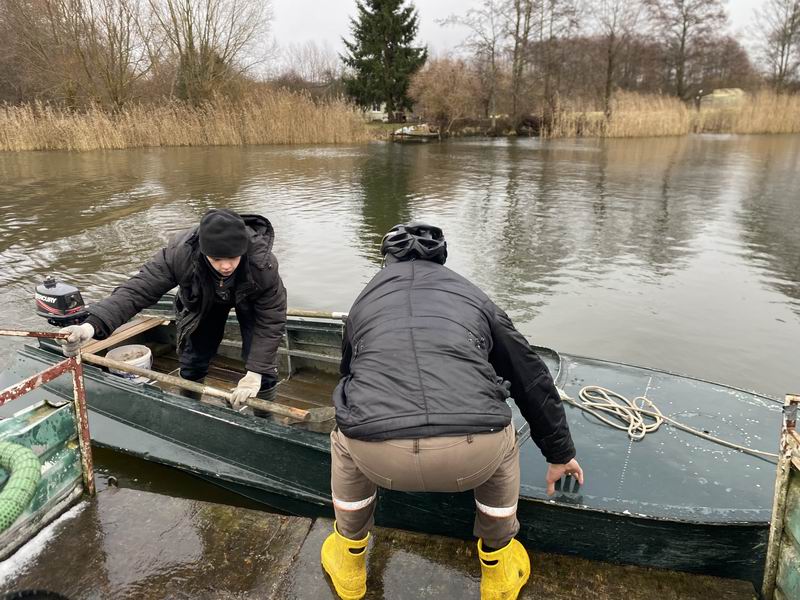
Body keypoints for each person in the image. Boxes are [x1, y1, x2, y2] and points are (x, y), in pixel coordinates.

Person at [321, 223, 583, 600]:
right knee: (503, 435)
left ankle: (349, 557)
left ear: (386, 260)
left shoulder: (365, 299)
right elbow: (530, 375)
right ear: (443, 259)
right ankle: (499, 566)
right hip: (472, 456)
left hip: (377, 458)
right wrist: (560, 454)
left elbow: (349, 373)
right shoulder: (472, 294)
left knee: (344, 435)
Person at [58, 208, 287, 409]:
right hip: (202, 297)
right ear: (204, 251)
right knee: (194, 354)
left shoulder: (261, 264)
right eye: (217, 258)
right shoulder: (180, 254)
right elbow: (138, 290)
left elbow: (271, 319)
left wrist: (255, 372)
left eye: (233, 257)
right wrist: (91, 325)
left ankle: (264, 412)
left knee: (263, 367)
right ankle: (190, 401)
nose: (226, 266)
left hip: (250, 298)